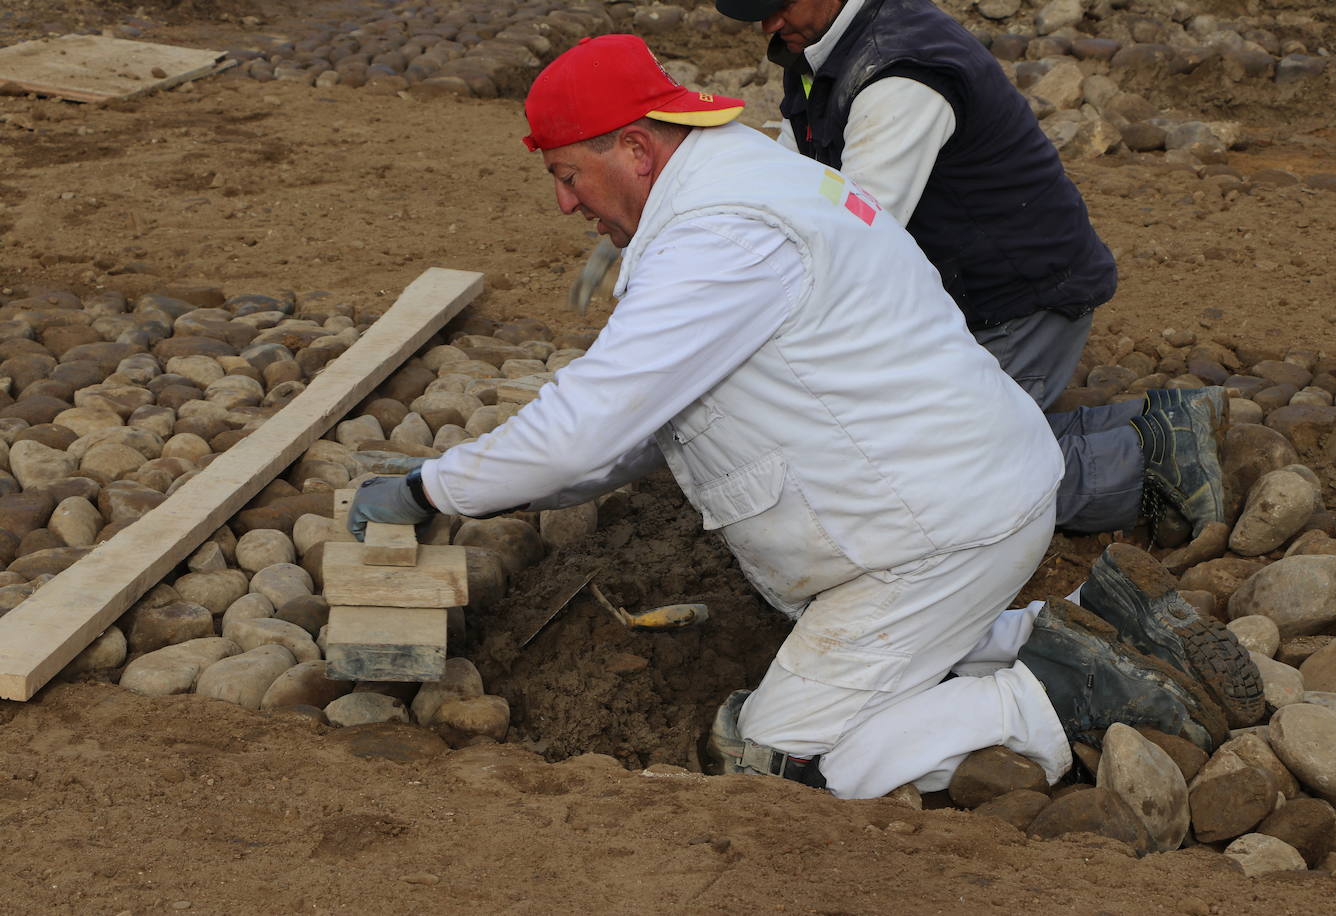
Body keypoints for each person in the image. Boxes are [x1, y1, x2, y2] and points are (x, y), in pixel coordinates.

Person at [349, 35, 1252, 799]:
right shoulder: (743, 175)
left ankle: (1056, 696)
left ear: (634, 148)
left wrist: (432, 486)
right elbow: (619, 439)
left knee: (780, 761)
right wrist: (468, 490)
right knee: (895, 656)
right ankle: (1089, 617)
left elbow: (589, 421)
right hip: (960, 495)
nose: (564, 203)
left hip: (930, 532)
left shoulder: (719, 238)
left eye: (567, 175)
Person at [715, 0, 1226, 540]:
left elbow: (855, 242)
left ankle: (1152, 472)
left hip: (1017, 306)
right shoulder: (826, 50)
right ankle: (1168, 428)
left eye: (778, 5)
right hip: (969, 296)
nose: (768, 25)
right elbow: (795, 186)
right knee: (893, 435)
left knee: (910, 478)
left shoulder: (898, 74)